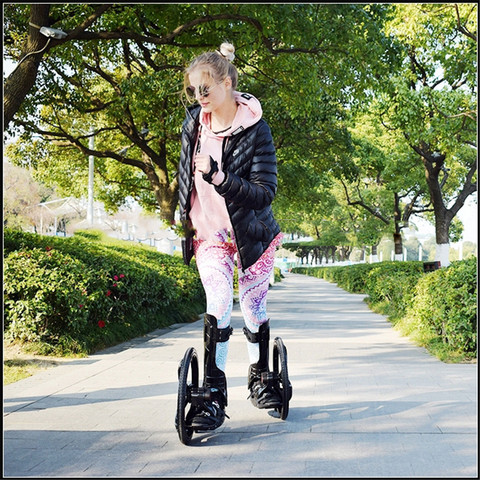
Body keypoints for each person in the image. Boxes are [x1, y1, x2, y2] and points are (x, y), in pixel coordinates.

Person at [178, 42, 284, 431]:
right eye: (193, 90)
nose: (199, 96)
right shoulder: (193, 123)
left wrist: (221, 177)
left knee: (253, 311)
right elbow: (183, 175)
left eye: (205, 88)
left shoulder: (257, 129)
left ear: (227, 83)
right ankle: (213, 392)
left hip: (252, 236)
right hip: (210, 236)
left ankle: (260, 375)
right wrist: (184, 217)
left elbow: (264, 191)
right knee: (219, 302)